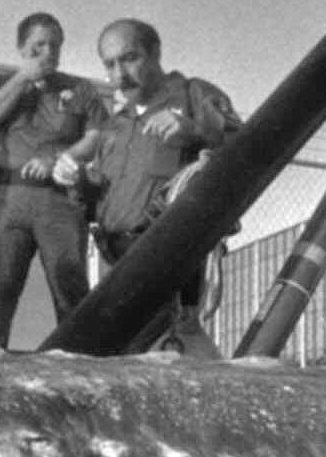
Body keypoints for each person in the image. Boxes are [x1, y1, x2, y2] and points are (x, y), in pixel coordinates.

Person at [83, 18, 242, 357]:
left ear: (156, 53)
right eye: (109, 65)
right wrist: (76, 180)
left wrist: (195, 130)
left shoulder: (192, 94)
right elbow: (98, 198)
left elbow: (248, 148)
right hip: (119, 261)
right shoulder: (115, 125)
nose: (119, 75)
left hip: (170, 260)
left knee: (155, 351)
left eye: (129, 58)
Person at [0, 11, 106, 350]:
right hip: (9, 199)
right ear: (21, 48)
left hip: (58, 201)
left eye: (55, 46)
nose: (48, 53)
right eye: (38, 46)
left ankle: (79, 363)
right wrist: (22, 79)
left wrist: (62, 157)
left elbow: (97, 136)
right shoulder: (1, 83)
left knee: (69, 287)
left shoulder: (79, 89)